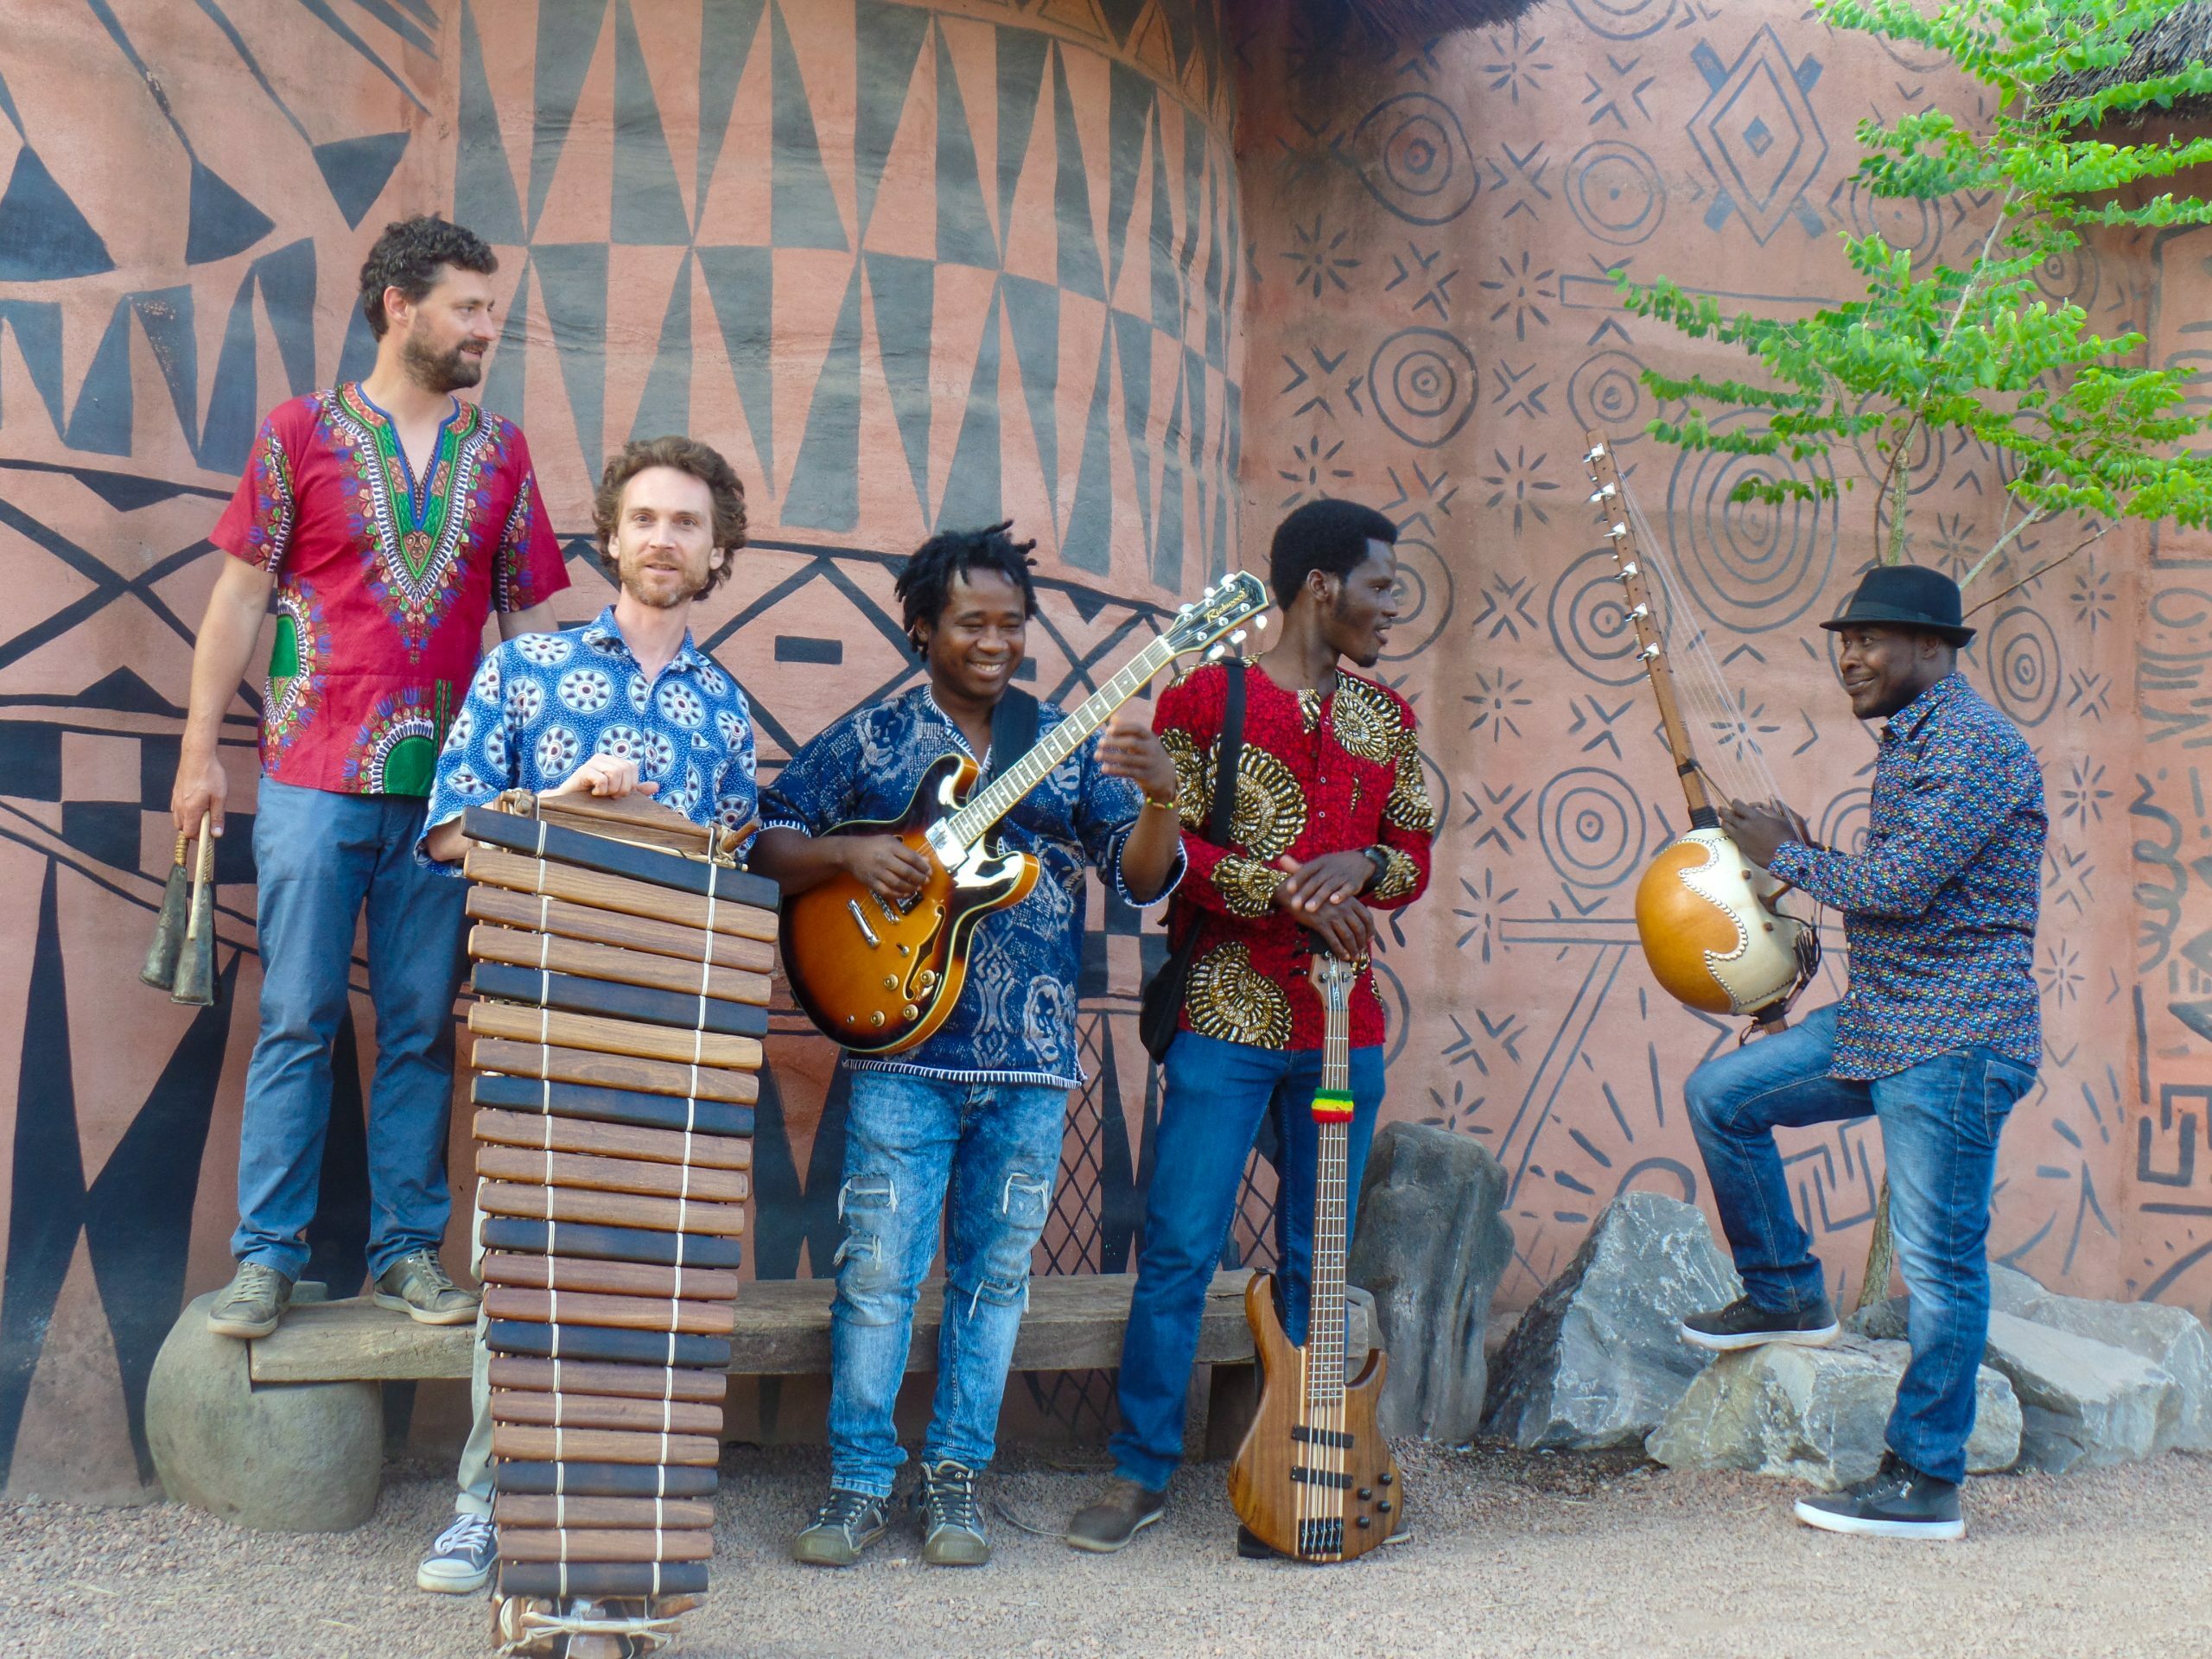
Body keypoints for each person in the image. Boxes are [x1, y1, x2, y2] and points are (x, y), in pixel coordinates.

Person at [749, 523, 1184, 1569]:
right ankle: (859, 1483)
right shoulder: (876, 739)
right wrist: (853, 854)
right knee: (877, 1277)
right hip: (901, 1053)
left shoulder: (1062, 743)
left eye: (1011, 623)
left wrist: (1164, 797)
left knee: (995, 1283)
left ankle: (956, 1480)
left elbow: (1138, 878)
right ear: (920, 629)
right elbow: (765, 836)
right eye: (971, 623)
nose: (995, 642)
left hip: (1031, 1062)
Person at [181, 217, 569, 1342]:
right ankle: (266, 1259)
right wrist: (200, 756)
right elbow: (238, 601)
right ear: (400, 306)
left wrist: (542, 779)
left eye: (490, 309)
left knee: (420, 1028)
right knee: (296, 1017)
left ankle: (406, 1253)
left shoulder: (503, 453)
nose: (487, 327)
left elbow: (527, 628)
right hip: (309, 774)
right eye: (468, 307)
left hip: (448, 796)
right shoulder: (297, 433)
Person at [412, 435, 757, 1594]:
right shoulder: (526, 669)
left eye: (688, 524)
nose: (664, 540)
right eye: (645, 518)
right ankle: (485, 1508)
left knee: (648, 1275)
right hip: (542, 1015)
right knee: (523, 1264)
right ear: (610, 536)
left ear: (717, 553)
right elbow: (447, 835)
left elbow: (734, 876)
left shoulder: (725, 711)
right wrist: (552, 803)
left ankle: (619, 1525)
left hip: (670, 1039)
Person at [1065, 497, 1435, 1554]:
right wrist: (1276, 888)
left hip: (1342, 1025)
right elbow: (1163, 866)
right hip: (1225, 1015)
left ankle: (1300, 1463)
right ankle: (1140, 1470)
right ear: (1320, 586)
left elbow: (1411, 857)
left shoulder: (1388, 719)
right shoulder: (1202, 700)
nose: (1391, 607)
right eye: (1379, 586)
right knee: (1182, 1247)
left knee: (1320, 1257)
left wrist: (1363, 864)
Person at [1676, 563, 2044, 1541]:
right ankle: (1787, 1293)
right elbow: (1895, 883)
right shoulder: (1918, 737)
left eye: (1871, 639)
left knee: (1939, 1266)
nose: (1850, 657)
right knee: (1723, 1098)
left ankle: (1924, 1479)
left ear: (1932, 647)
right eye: (1844, 640)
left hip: (1955, 1039)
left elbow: (1901, 885)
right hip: (1887, 1023)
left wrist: (1785, 855)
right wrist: (1797, 855)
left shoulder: (1973, 742)